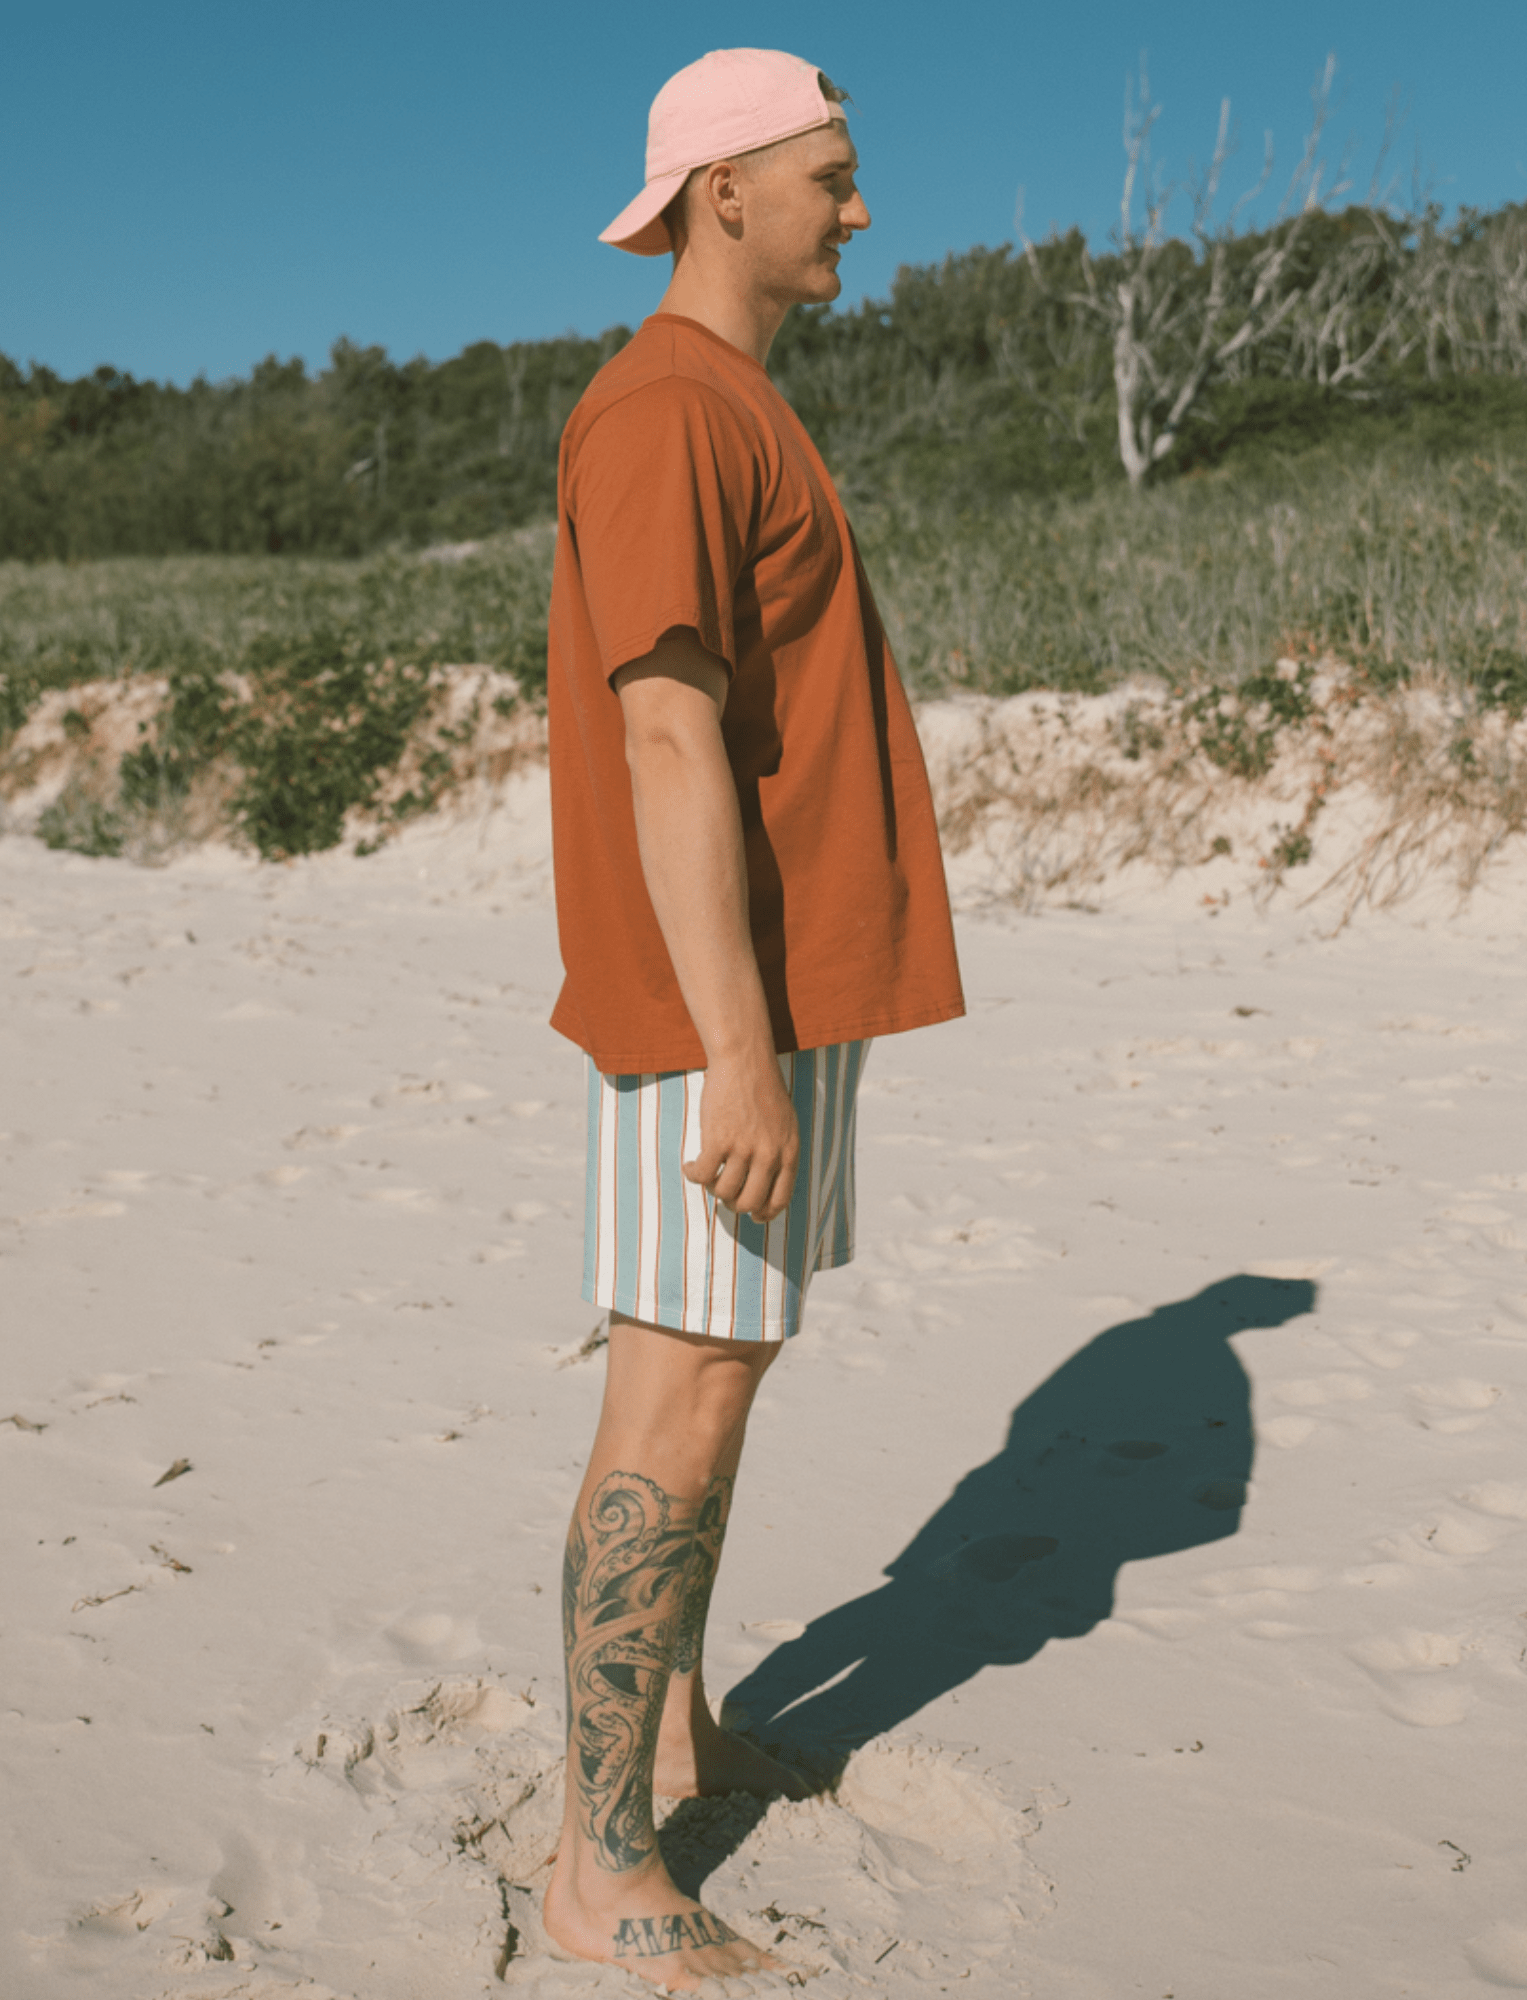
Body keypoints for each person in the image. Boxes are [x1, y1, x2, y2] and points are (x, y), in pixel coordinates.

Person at [542, 47, 964, 1992]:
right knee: (678, 1400)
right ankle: (602, 1858)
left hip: (772, 1002)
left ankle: (676, 1742)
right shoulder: (663, 415)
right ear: (725, 189)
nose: (856, 208)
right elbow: (659, 723)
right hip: (716, 1010)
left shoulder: (732, 409)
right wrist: (727, 1043)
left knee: (723, 1375)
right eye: (833, 174)